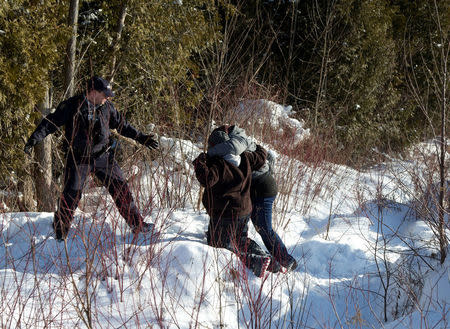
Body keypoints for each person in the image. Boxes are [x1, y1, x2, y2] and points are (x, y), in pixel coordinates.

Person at [24, 76, 159, 241]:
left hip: (104, 156)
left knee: (121, 189)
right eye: (105, 94)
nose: (107, 97)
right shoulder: (72, 105)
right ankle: (60, 230)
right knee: (71, 195)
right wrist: (34, 139)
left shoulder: (107, 107)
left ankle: (137, 225)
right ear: (93, 92)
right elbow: (51, 122)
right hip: (78, 158)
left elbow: (122, 125)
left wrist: (141, 138)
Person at [207, 125, 298, 272]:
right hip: (258, 184)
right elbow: (267, 156)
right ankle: (272, 259)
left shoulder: (236, 144)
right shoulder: (239, 140)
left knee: (263, 227)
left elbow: (238, 152)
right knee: (251, 225)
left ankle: (286, 261)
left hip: (262, 188)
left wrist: (210, 153)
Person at [193, 128, 276, 278]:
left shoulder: (218, 163)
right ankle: (266, 258)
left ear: (214, 146)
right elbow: (262, 156)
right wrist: (251, 144)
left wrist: (199, 162)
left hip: (225, 213)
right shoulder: (245, 157)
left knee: (217, 244)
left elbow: (206, 179)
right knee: (240, 238)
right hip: (243, 210)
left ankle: (255, 262)